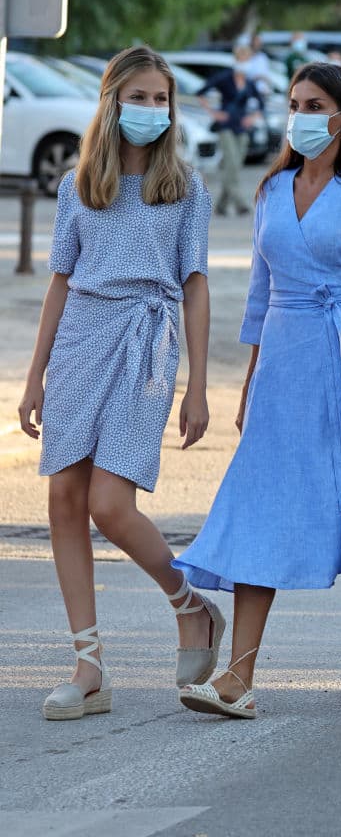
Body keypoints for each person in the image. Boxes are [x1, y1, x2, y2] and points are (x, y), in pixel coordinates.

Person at [173, 63, 341, 718]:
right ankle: (238, 678)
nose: (301, 115)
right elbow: (258, 292)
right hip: (282, 368)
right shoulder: (272, 188)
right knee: (262, 508)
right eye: (294, 104)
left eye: (314, 104)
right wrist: (248, 381)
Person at [17, 45, 222, 721]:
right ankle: (88, 664)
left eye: (160, 97)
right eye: (137, 96)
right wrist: (33, 376)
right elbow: (58, 284)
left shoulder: (186, 187)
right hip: (79, 339)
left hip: (146, 345)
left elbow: (195, 287)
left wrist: (196, 384)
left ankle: (188, 605)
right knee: (65, 501)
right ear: (112, 102)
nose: (150, 109)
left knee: (111, 503)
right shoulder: (81, 184)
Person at [196, 45, 264, 216]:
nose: (244, 63)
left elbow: (261, 104)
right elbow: (201, 92)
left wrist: (253, 118)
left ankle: (221, 204)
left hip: (241, 127)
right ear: (236, 60)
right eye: (241, 59)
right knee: (232, 162)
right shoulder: (225, 78)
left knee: (234, 165)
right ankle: (240, 203)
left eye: (247, 59)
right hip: (225, 126)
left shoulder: (249, 83)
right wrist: (214, 113)